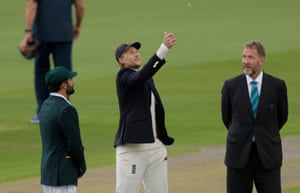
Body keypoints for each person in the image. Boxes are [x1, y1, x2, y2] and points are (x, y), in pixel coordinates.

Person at [221, 40, 288, 193]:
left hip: (267, 156)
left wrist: (263, 133)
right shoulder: (231, 86)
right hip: (238, 155)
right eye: (244, 57)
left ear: (262, 60)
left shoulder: (277, 86)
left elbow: (281, 117)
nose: (246, 62)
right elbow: (227, 118)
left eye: (250, 57)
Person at [114, 32, 176, 193]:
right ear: (121, 60)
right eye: (130, 52)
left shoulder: (145, 77)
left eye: (137, 51)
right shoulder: (123, 77)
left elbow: (145, 76)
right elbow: (142, 75)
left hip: (156, 147)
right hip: (133, 148)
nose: (136, 54)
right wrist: (163, 49)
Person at [19, 0, 84, 123]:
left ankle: (43, 112)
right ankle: (64, 109)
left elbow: (31, 4)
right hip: (64, 32)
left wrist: (28, 32)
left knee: (41, 72)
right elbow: (80, 5)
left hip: (42, 34)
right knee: (64, 73)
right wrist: (78, 25)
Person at [39, 66, 86, 193]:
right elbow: (74, 144)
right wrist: (81, 166)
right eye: (70, 79)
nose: (72, 82)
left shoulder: (45, 106)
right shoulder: (67, 109)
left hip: (47, 172)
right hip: (63, 173)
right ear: (63, 85)